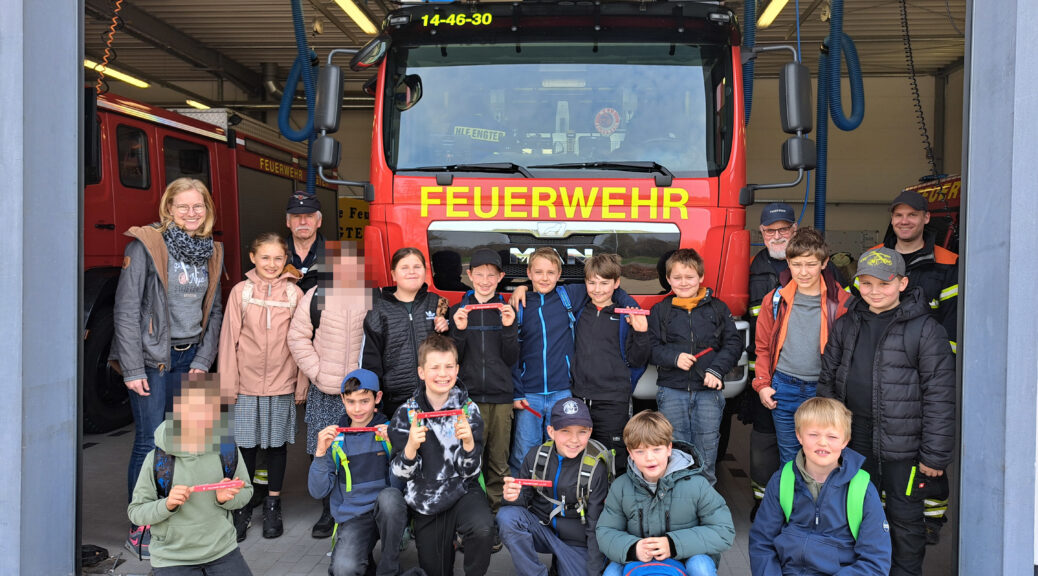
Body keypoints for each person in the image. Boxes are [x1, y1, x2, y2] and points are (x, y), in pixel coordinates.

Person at [819, 247, 956, 576]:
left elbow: (939, 395)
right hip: (855, 442)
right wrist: (830, 438)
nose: (875, 291)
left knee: (905, 521)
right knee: (853, 513)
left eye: (884, 283)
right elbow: (827, 380)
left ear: (902, 283)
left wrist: (934, 455)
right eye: (866, 283)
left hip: (904, 448)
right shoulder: (847, 324)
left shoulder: (925, 330)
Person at [111, 177, 224, 558]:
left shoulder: (212, 250)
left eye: (198, 206)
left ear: (207, 210)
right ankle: (141, 524)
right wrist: (132, 369)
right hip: (151, 360)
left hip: (191, 359)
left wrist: (203, 360)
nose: (191, 213)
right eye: (183, 206)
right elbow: (126, 310)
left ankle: (177, 515)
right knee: (149, 442)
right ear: (168, 209)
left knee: (188, 442)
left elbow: (215, 311)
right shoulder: (146, 245)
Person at [869, 189, 959, 544]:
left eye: (912, 215)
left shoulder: (947, 262)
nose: (904, 221)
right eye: (898, 215)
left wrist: (938, 368)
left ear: (925, 218)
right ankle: (887, 519)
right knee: (888, 451)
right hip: (884, 373)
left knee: (926, 447)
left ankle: (930, 520)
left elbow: (952, 324)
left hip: (926, 374)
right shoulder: (876, 256)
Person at [218, 233, 306, 541]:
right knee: (246, 447)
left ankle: (272, 504)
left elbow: (301, 341)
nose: (271, 264)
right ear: (253, 257)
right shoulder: (240, 292)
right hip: (246, 385)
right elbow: (228, 341)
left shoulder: (294, 294)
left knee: (277, 447)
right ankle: (243, 505)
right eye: (265, 257)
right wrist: (228, 386)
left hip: (282, 384)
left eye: (278, 258)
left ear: (286, 260)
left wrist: (301, 383)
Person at [387, 334, 494, 576]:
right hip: (426, 499)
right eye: (434, 367)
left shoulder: (468, 410)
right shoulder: (406, 413)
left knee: (483, 528)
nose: (442, 374)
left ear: (457, 369)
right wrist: (411, 447)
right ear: (421, 372)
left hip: (462, 491)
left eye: (448, 366)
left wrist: (469, 443)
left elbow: (471, 471)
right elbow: (399, 474)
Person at [749, 397, 891, 576]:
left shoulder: (862, 490)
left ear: (845, 440)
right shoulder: (782, 481)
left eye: (832, 436)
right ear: (799, 436)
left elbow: (875, 562)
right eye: (813, 434)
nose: (822, 442)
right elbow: (761, 543)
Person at [127, 376, 253, 574]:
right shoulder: (158, 460)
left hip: (223, 550)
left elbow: (246, 490)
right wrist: (167, 505)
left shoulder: (227, 450)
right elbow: (136, 512)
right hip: (172, 558)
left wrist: (226, 499)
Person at [288, 242, 371, 539]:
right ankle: (328, 509)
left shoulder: (370, 297)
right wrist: (317, 372)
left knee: (357, 451)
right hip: (325, 391)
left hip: (358, 394)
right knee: (322, 450)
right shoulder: (316, 296)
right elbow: (298, 337)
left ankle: (355, 505)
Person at [752, 228, 851, 464]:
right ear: (788, 262)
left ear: (824, 263)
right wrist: (763, 384)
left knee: (823, 459)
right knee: (789, 458)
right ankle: (793, 492)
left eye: (811, 264)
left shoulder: (843, 303)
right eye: (797, 264)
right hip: (783, 388)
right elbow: (763, 347)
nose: (803, 272)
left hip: (824, 390)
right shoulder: (774, 299)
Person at [596, 411, 734, 576]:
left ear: (669, 448)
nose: (649, 458)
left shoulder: (698, 485)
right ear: (630, 453)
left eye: (656, 449)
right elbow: (606, 532)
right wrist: (633, 548)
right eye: (640, 451)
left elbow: (724, 531)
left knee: (701, 567)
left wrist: (673, 544)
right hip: (636, 558)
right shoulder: (620, 487)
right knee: (611, 573)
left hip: (687, 556)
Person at [648, 249, 743, 485]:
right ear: (668, 280)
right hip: (672, 391)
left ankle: (705, 496)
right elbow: (650, 348)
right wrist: (674, 358)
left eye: (689, 277)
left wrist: (716, 370)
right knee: (675, 448)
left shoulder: (718, 309)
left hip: (708, 393)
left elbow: (733, 344)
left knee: (707, 448)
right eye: (677, 277)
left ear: (701, 277)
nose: (683, 283)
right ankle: (676, 496)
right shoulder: (661, 311)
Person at [309, 369, 407, 576]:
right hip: (354, 516)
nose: (357, 409)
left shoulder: (390, 431)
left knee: (390, 499)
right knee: (344, 569)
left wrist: (396, 449)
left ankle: (389, 568)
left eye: (364, 401)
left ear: (377, 398)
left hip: (387, 511)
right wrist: (320, 453)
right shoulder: (336, 439)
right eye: (351, 401)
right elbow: (318, 491)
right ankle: (364, 559)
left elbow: (401, 486)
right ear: (342, 399)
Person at [497, 398, 608, 576]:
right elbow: (521, 502)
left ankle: (560, 565)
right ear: (551, 431)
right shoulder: (536, 457)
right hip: (542, 529)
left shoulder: (596, 468)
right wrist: (511, 497)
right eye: (565, 431)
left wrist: (595, 570)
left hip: (577, 541)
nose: (574, 439)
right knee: (507, 517)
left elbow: (597, 525)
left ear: (590, 432)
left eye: (582, 432)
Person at [448, 248, 519, 519]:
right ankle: (472, 517)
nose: (485, 281)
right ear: (469, 275)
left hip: (501, 398)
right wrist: (459, 331)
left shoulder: (507, 310)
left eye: (491, 275)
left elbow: (512, 358)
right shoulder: (458, 310)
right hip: (469, 399)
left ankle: (497, 517)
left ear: (501, 277)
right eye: (479, 274)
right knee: (469, 460)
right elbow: (454, 358)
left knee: (499, 463)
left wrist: (509, 328)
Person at [571, 253, 650, 474]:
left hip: (613, 401)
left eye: (604, 283)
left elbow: (638, 359)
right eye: (592, 283)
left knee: (613, 460)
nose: (597, 289)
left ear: (616, 283)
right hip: (579, 398)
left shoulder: (626, 316)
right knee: (579, 458)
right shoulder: (578, 312)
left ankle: (613, 495)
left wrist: (641, 332)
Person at [508, 247, 581, 475]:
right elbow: (511, 354)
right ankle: (522, 493)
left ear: (559, 274)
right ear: (529, 273)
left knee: (561, 448)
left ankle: (556, 490)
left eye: (551, 272)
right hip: (529, 394)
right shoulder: (519, 305)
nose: (545, 278)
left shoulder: (568, 296)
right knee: (524, 450)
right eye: (538, 272)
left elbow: (608, 285)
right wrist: (517, 392)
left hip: (562, 391)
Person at [363, 247, 450, 420]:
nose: (412, 272)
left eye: (417, 267)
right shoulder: (378, 310)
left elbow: (453, 353)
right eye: (404, 267)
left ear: (425, 272)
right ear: (393, 274)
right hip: (395, 404)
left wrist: (448, 329)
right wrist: (373, 401)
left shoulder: (439, 304)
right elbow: (371, 362)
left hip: (437, 400)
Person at [286, 192, 326, 295]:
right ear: (288, 222)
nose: (303, 222)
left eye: (309, 216)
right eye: (296, 216)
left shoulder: (339, 256)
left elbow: (349, 301)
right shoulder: (272, 256)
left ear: (319, 222)